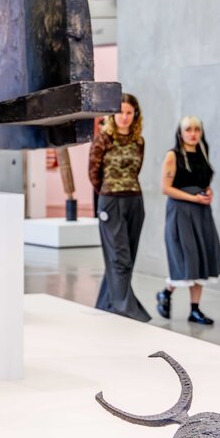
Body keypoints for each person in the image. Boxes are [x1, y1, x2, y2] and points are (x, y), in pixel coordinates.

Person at [88, 93, 151, 322]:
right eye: (120, 112)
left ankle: (106, 304)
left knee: (127, 257)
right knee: (119, 258)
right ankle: (125, 309)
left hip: (134, 200)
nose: (124, 117)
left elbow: (136, 170)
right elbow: (93, 174)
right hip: (111, 202)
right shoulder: (102, 139)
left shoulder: (139, 141)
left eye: (129, 113)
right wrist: (108, 193)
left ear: (135, 115)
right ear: (112, 115)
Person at [156, 115, 220, 325]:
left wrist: (208, 192)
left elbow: (203, 181)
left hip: (201, 212)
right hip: (181, 213)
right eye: (188, 130)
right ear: (181, 132)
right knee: (187, 260)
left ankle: (195, 309)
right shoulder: (173, 156)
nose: (193, 134)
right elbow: (166, 188)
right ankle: (166, 292)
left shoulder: (203, 151)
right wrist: (193, 198)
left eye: (197, 129)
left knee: (201, 259)